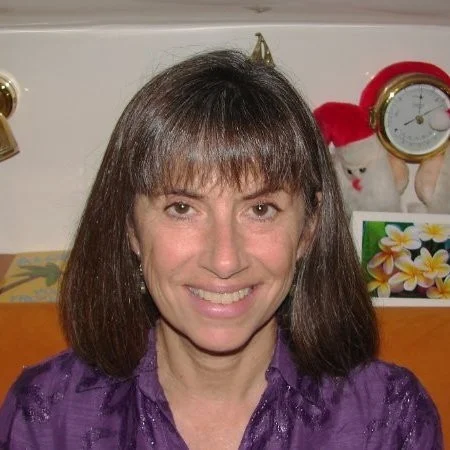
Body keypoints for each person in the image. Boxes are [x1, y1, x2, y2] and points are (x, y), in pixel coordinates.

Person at [0, 49, 442, 449]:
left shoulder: (389, 421)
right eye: (181, 208)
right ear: (130, 227)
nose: (225, 260)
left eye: (261, 209)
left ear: (309, 228)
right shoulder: (47, 418)